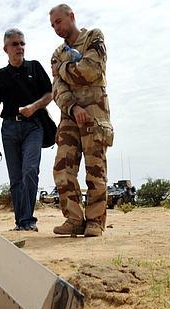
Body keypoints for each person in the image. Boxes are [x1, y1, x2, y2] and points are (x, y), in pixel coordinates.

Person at [49, 4, 114, 237]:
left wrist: (63, 69)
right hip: (70, 115)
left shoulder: (93, 37)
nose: (57, 28)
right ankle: (74, 219)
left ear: (71, 16)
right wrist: (74, 107)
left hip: (95, 113)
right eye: (53, 25)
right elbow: (58, 89)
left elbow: (91, 70)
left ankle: (95, 221)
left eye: (59, 21)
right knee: (62, 168)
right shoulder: (57, 53)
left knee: (95, 168)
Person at [0, 28, 53, 231]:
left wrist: (33, 107)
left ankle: (28, 220)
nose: (20, 47)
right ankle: (21, 221)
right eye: (15, 44)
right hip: (8, 129)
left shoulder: (35, 67)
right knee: (15, 177)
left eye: (22, 43)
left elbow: (50, 94)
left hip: (34, 126)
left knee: (30, 170)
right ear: (5, 48)